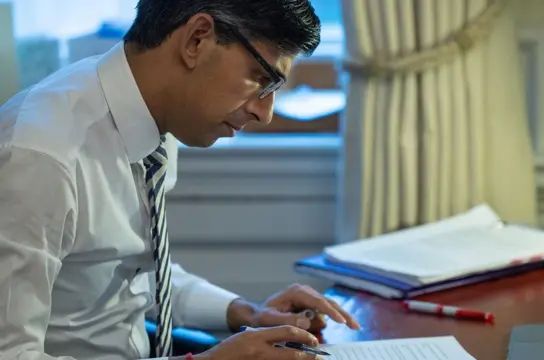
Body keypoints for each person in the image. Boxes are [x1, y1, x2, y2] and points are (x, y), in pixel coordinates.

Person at [0, 0, 360, 359]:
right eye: (262, 79)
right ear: (197, 39)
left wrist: (246, 313)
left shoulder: (157, 120)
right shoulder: (39, 154)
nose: (264, 114)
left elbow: (130, 270)